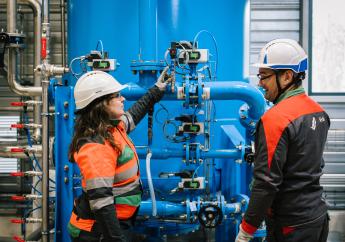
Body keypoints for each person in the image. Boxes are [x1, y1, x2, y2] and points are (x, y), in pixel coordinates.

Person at [235, 39, 330, 242]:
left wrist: (246, 231)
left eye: (264, 76)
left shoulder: (274, 120)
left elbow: (266, 184)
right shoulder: (319, 113)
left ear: (287, 76)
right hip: (318, 218)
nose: (260, 83)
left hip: (290, 227)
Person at [67, 67, 171, 242]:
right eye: (116, 96)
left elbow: (132, 116)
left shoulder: (111, 127)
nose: (123, 99)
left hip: (114, 225)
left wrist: (155, 91)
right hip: (97, 232)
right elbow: (102, 204)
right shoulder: (95, 146)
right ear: (100, 103)